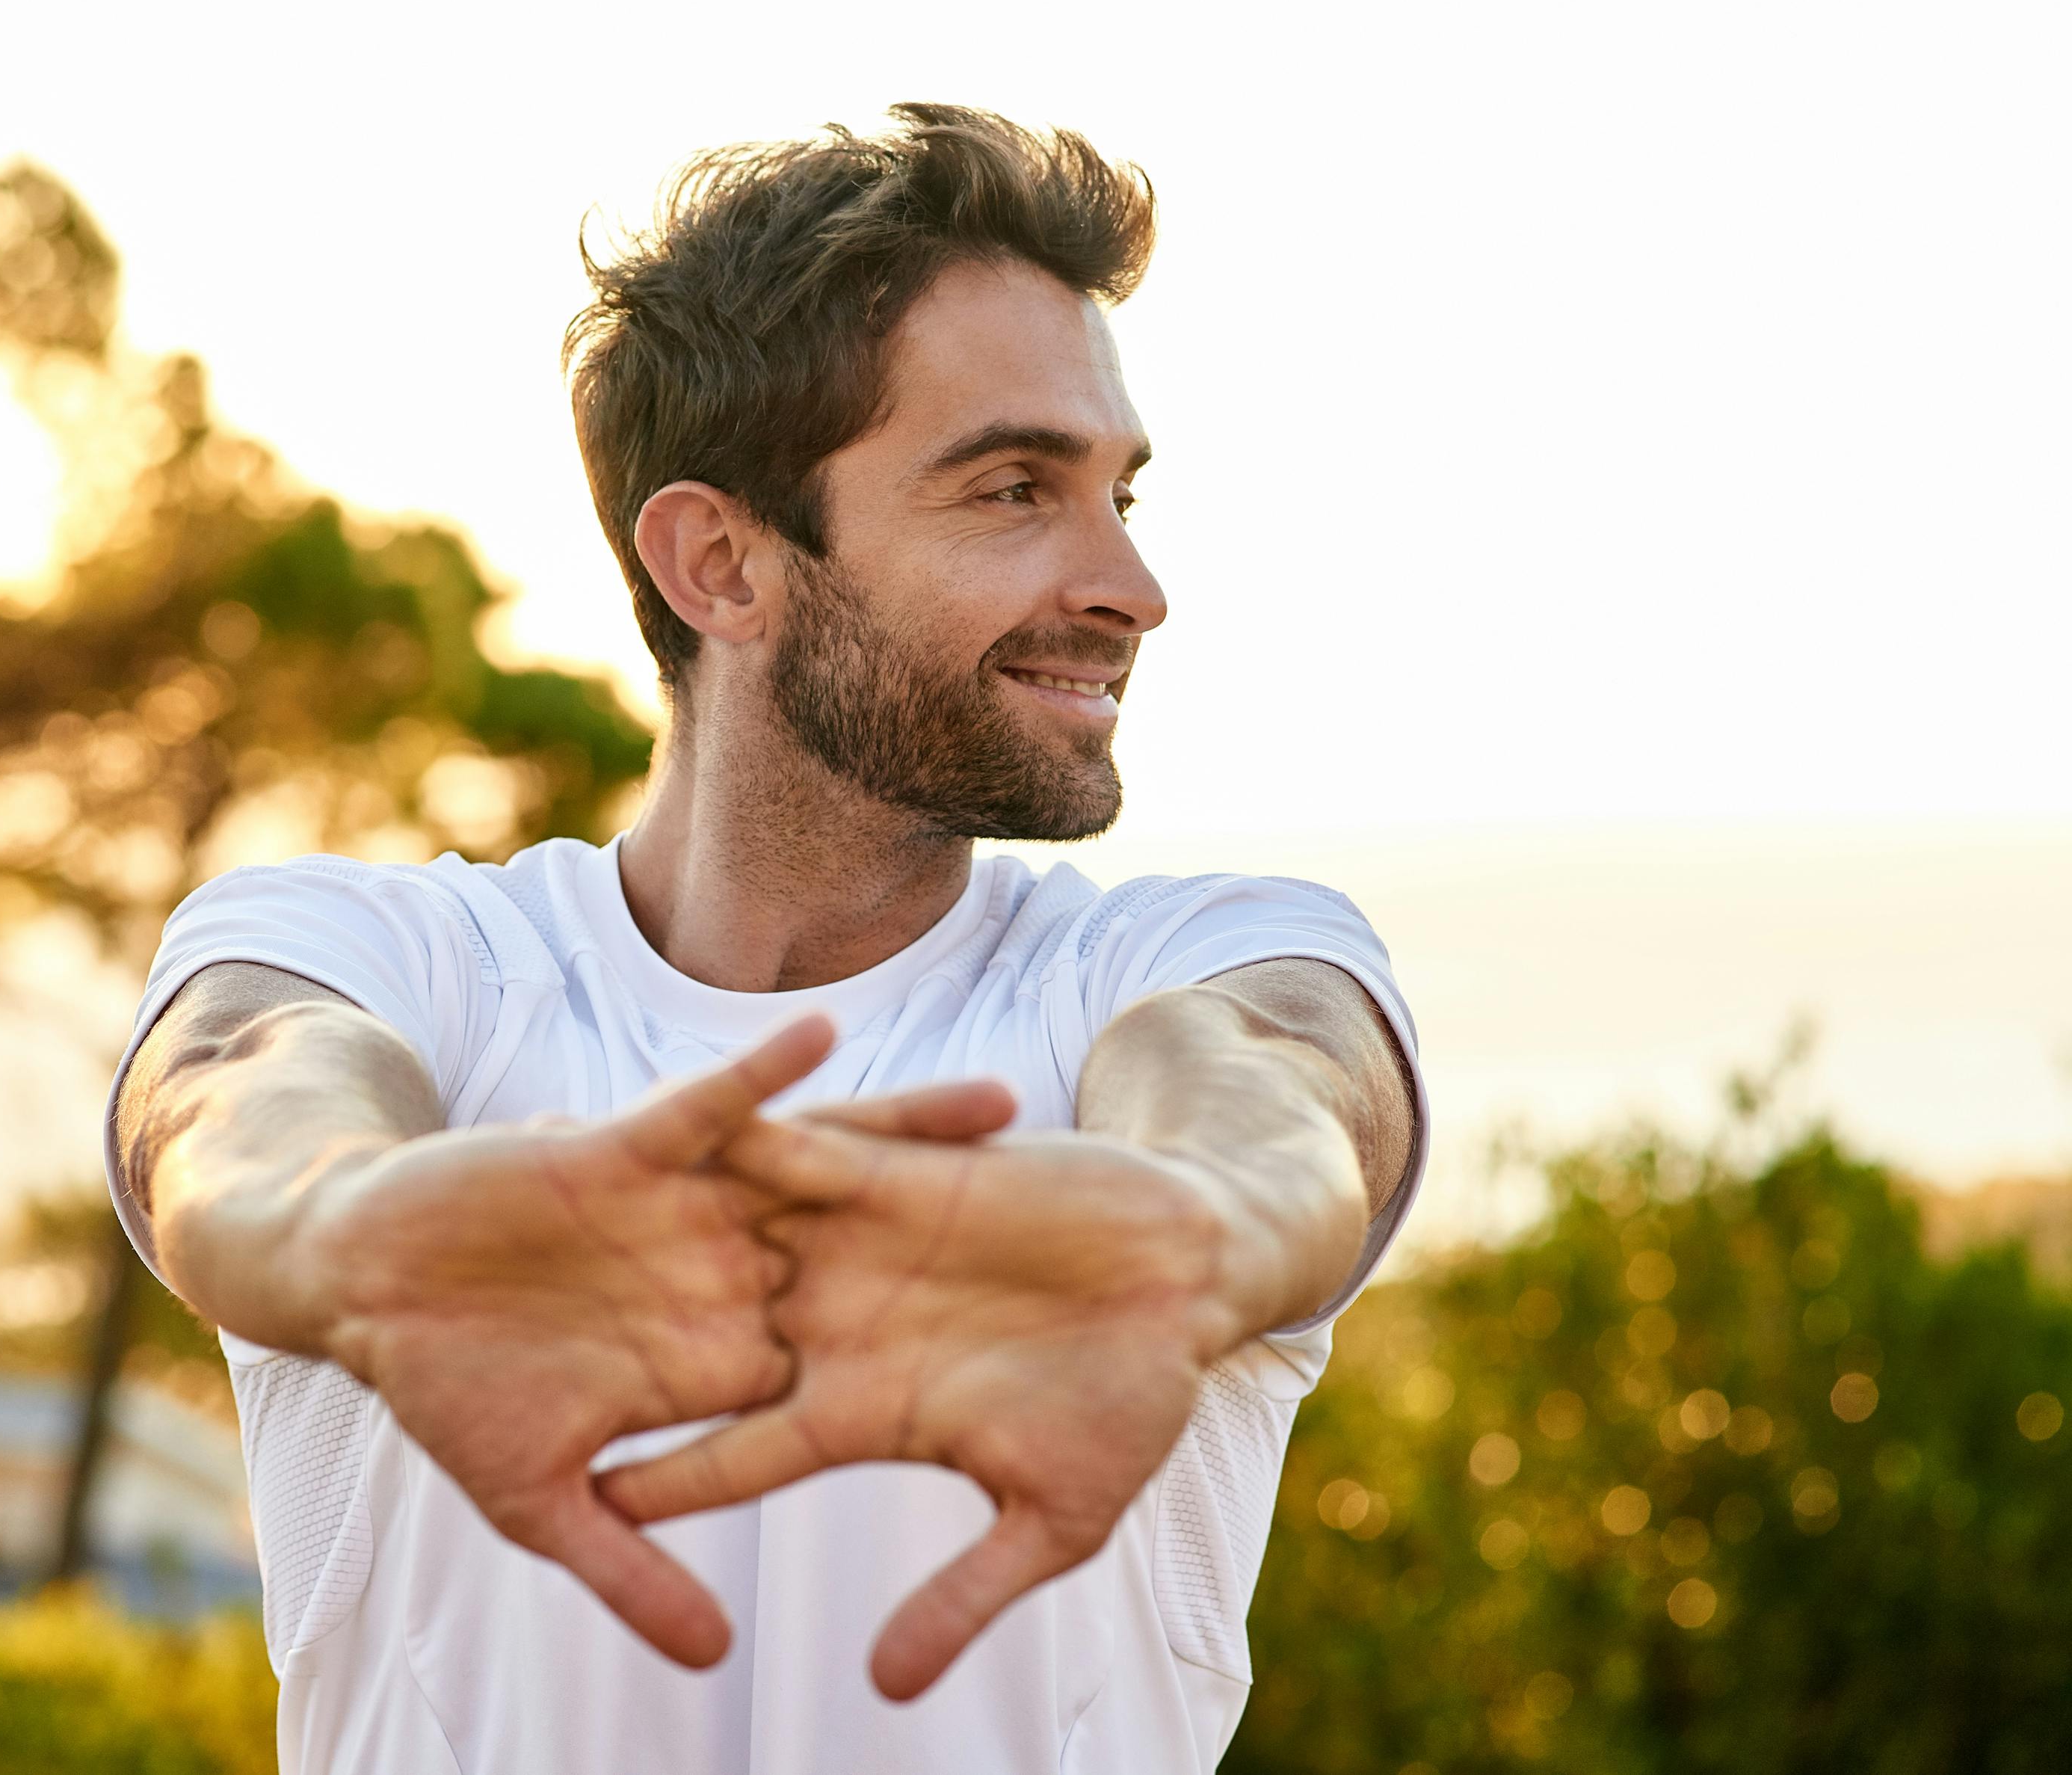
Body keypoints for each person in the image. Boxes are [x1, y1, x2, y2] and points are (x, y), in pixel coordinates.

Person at [101, 102, 1428, 1774]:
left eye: (1120, 492)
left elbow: (1281, 1079)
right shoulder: (386, 956)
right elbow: (236, 1093)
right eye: (1017, 488)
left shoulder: (1176, 970)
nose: (1129, 583)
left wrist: (1202, 1218)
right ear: (721, 560)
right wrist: (352, 1224)